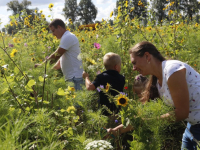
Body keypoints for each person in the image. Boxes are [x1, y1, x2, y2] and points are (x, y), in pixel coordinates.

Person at [107, 41, 200, 150]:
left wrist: (149, 121)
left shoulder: (172, 70)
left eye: (134, 63)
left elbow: (182, 112)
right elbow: (143, 116)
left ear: (147, 56)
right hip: (192, 127)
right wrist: (118, 130)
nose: (133, 68)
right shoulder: (157, 82)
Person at [35, 18, 83, 90]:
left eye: (53, 31)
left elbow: (56, 55)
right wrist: (48, 72)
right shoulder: (66, 37)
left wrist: (42, 66)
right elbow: (59, 63)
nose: (53, 34)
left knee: (76, 101)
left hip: (75, 78)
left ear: (59, 27)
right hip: (72, 78)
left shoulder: (68, 37)